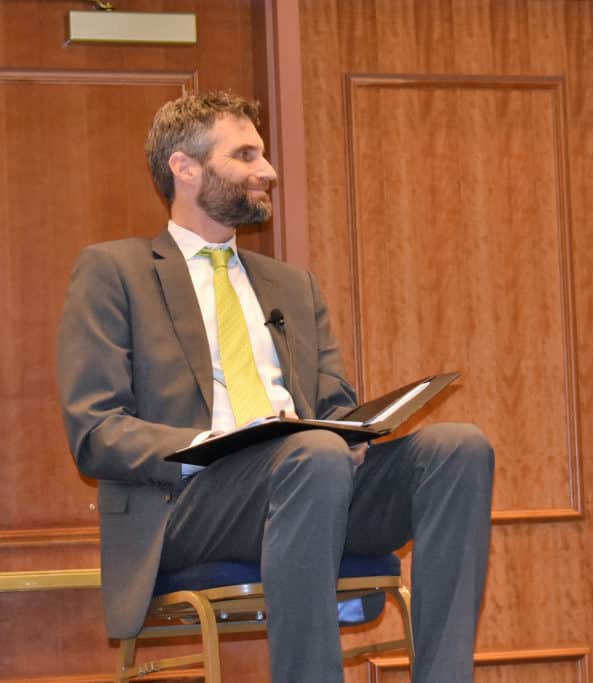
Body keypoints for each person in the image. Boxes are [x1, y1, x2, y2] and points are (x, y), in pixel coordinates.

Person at [56, 90, 494, 683]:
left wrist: (364, 424)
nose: (269, 171)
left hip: (312, 478)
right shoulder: (115, 272)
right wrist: (211, 444)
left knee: (458, 448)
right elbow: (97, 430)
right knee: (309, 453)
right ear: (185, 168)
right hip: (191, 503)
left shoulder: (292, 285)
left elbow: (334, 408)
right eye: (246, 155)